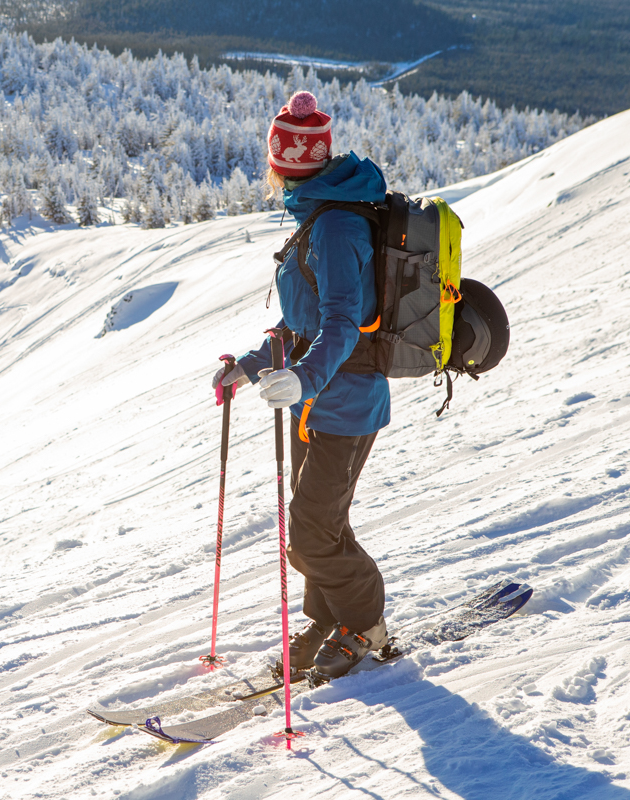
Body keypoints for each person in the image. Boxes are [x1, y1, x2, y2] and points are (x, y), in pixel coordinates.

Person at [214, 90, 390, 679]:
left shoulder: (337, 225)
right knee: (320, 521)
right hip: (314, 400)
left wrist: (303, 378)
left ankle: (365, 624)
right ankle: (329, 616)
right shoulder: (317, 214)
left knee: (310, 535)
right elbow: (301, 324)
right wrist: (251, 363)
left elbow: (342, 324)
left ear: (284, 163)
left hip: (346, 401)